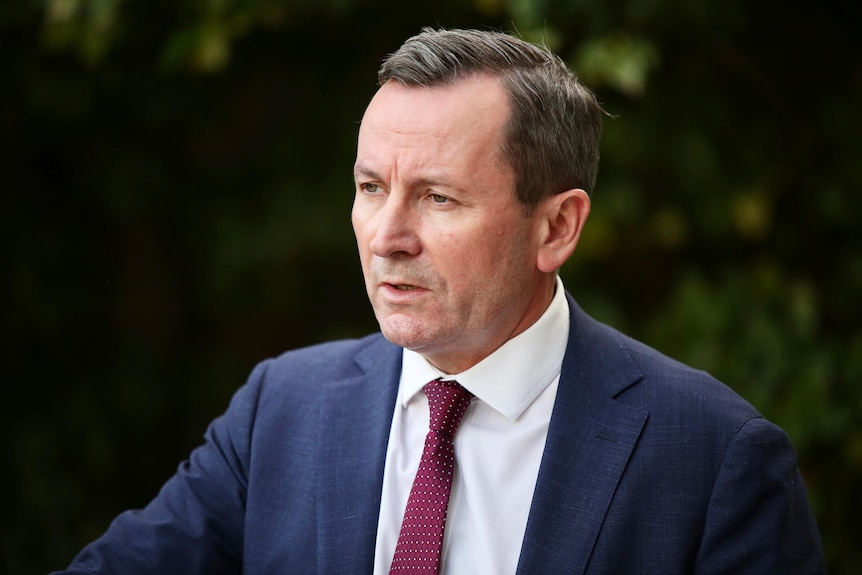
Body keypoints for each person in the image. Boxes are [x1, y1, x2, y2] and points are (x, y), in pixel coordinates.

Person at [53, 28, 824, 574]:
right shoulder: (281, 408)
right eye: (370, 188)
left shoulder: (717, 459)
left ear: (556, 226)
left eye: (438, 198)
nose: (387, 235)